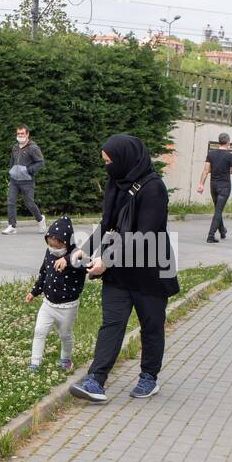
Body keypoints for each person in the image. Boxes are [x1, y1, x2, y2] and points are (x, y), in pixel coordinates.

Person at [69, 133, 180, 404]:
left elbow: (145, 235)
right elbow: (108, 223)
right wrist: (86, 247)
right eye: (105, 162)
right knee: (112, 323)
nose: (107, 167)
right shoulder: (116, 182)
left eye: (109, 161)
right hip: (119, 267)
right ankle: (96, 379)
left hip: (150, 266)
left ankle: (148, 377)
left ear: (125, 159)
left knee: (151, 325)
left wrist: (106, 260)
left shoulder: (154, 189)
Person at [25, 216, 86, 371]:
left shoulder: (76, 255)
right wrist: (34, 291)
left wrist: (68, 259)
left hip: (68, 306)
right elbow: (44, 273)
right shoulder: (49, 253)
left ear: (67, 243)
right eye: (50, 245)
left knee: (65, 335)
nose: (53, 249)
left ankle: (65, 359)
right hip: (48, 304)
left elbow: (85, 263)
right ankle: (35, 362)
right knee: (39, 331)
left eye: (57, 246)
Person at [195, 131, 232, 243]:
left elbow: (206, 170)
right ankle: (211, 236)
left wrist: (201, 184)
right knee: (218, 211)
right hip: (224, 187)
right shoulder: (229, 156)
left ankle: (222, 231)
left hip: (213, 186)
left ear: (219, 142)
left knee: (218, 209)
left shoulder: (211, 154)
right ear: (228, 142)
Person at [2, 124, 46, 235]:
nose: (20, 135)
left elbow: (40, 163)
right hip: (14, 181)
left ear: (27, 134)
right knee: (11, 202)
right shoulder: (15, 147)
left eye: (22, 133)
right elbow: (12, 161)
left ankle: (40, 219)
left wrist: (28, 170)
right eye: (18, 133)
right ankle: (12, 226)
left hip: (27, 181)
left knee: (29, 203)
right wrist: (11, 171)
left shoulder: (33, 148)